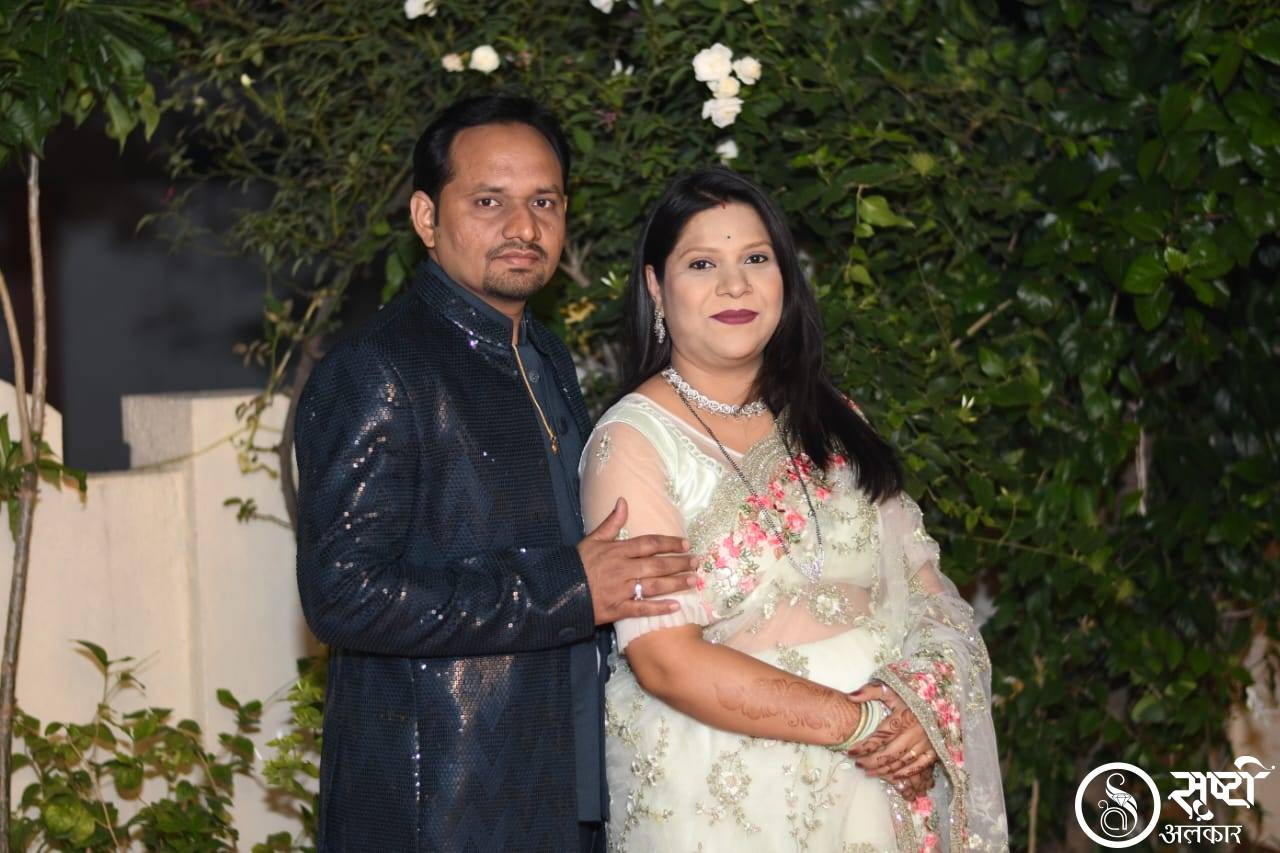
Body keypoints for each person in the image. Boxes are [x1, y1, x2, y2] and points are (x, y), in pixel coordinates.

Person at [293, 95, 697, 852]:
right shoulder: (378, 368)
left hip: (564, 779)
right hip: (442, 804)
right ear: (425, 217)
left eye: (544, 201)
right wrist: (569, 588)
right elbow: (343, 595)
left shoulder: (543, 354)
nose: (523, 227)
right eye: (489, 201)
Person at [579, 167, 1008, 851]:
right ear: (656, 287)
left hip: (884, 786)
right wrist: (861, 725)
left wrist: (922, 703)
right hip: (728, 800)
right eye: (701, 264)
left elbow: (928, 590)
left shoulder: (835, 419)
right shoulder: (632, 442)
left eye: (756, 258)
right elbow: (665, 660)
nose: (735, 285)